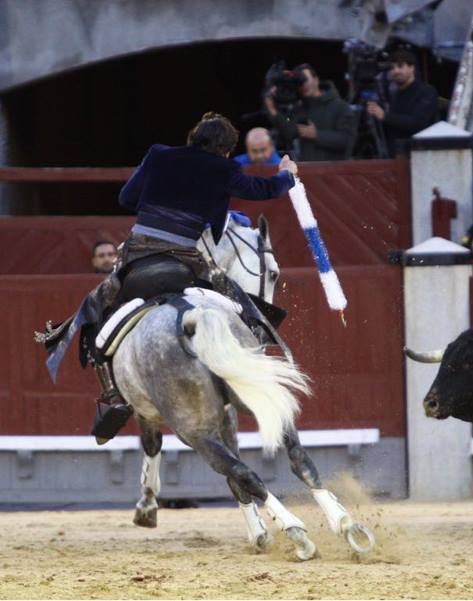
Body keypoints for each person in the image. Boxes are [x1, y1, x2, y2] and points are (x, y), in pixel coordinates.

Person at [39, 113, 299, 444]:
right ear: (225, 149)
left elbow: (126, 199)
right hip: (185, 262)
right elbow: (262, 189)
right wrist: (286, 176)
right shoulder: (225, 168)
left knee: (101, 310)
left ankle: (112, 397)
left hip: (138, 257)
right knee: (235, 301)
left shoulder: (158, 154)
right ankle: (256, 344)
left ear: (194, 137)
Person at [265, 63, 356, 161]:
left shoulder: (340, 106)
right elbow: (290, 132)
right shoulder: (300, 108)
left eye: (305, 80)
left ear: (316, 80)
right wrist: (273, 110)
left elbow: (347, 140)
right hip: (308, 170)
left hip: (333, 171)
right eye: (300, 82)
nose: (303, 85)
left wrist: (316, 135)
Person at [365, 48, 439, 157]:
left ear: (411, 68)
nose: (395, 71)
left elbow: (418, 123)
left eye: (400, 66)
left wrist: (385, 116)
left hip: (422, 156)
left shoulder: (426, 92)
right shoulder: (396, 95)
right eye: (392, 68)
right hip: (399, 157)